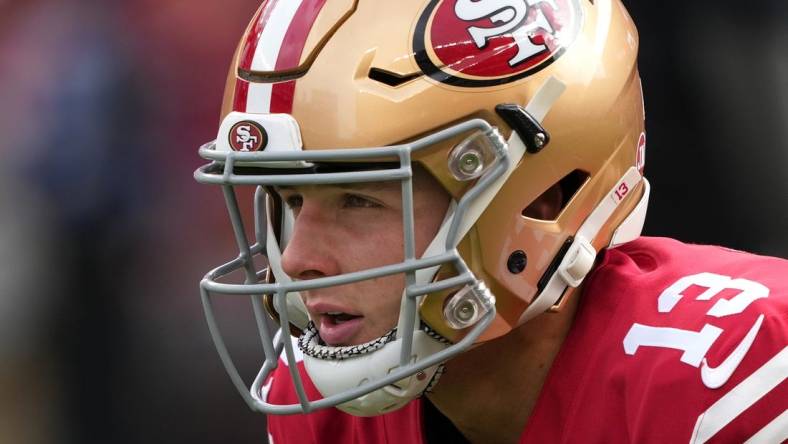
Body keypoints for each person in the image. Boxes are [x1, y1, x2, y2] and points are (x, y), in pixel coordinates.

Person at [194, 0, 788, 442]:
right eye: (292, 202)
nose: (297, 260)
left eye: (359, 200)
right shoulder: (327, 420)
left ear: (545, 199)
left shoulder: (730, 377)